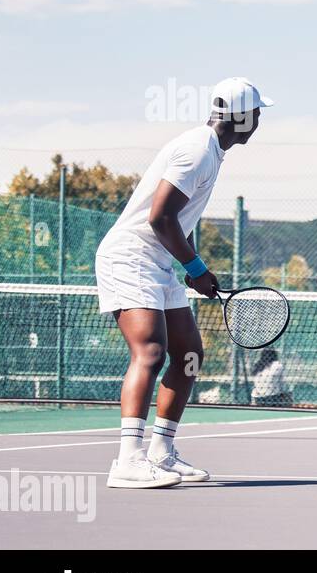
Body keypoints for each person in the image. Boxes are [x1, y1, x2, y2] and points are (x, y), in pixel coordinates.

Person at [95, 78, 272, 488]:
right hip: (130, 258)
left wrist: (195, 267)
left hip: (158, 262)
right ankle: (128, 461)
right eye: (258, 112)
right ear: (241, 117)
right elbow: (160, 217)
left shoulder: (211, 152)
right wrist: (193, 268)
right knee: (152, 352)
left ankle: (161, 451)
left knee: (189, 354)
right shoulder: (197, 151)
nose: (261, 119)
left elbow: (180, 219)